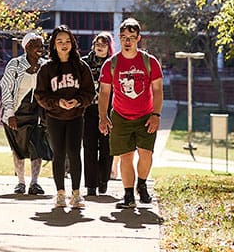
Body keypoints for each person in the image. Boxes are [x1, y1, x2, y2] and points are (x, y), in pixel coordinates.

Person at [98, 18, 164, 209]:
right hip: (121, 116)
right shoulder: (111, 64)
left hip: (146, 116)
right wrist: (103, 116)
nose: (128, 42)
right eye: (124, 37)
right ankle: (128, 195)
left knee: (146, 154)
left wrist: (156, 115)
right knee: (126, 156)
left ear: (138, 39)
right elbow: (104, 92)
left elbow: (158, 90)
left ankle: (141, 184)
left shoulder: (150, 62)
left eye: (132, 38)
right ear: (119, 38)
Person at [34, 25, 95, 209]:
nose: (64, 44)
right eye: (59, 41)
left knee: (75, 154)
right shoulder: (47, 68)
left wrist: (77, 101)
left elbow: (90, 92)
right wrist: (57, 102)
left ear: (72, 43)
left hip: (76, 117)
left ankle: (76, 194)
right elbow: (40, 95)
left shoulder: (81, 66)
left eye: (67, 41)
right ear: (53, 44)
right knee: (58, 155)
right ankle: (60, 193)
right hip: (55, 117)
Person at [0, 32, 48, 196]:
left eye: (41, 45)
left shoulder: (45, 65)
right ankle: (20, 182)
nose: (40, 49)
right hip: (17, 113)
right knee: (18, 149)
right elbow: (6, 89)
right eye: (36, 46)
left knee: (37, 148)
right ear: (26, 48)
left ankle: (34, 183)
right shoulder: (15, 64)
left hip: (36, 114)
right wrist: (10, 113)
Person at [81, 32, 114, 196]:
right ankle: (91, 185)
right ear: (93, 46)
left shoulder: (113, 64)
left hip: (108, 111)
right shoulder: (84, 63)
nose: (100, 47)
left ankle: (103, 180)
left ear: (109, 47)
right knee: (90, 147)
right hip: (88, 111)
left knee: (107, 148)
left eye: (104, 44)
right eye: (97, 44)